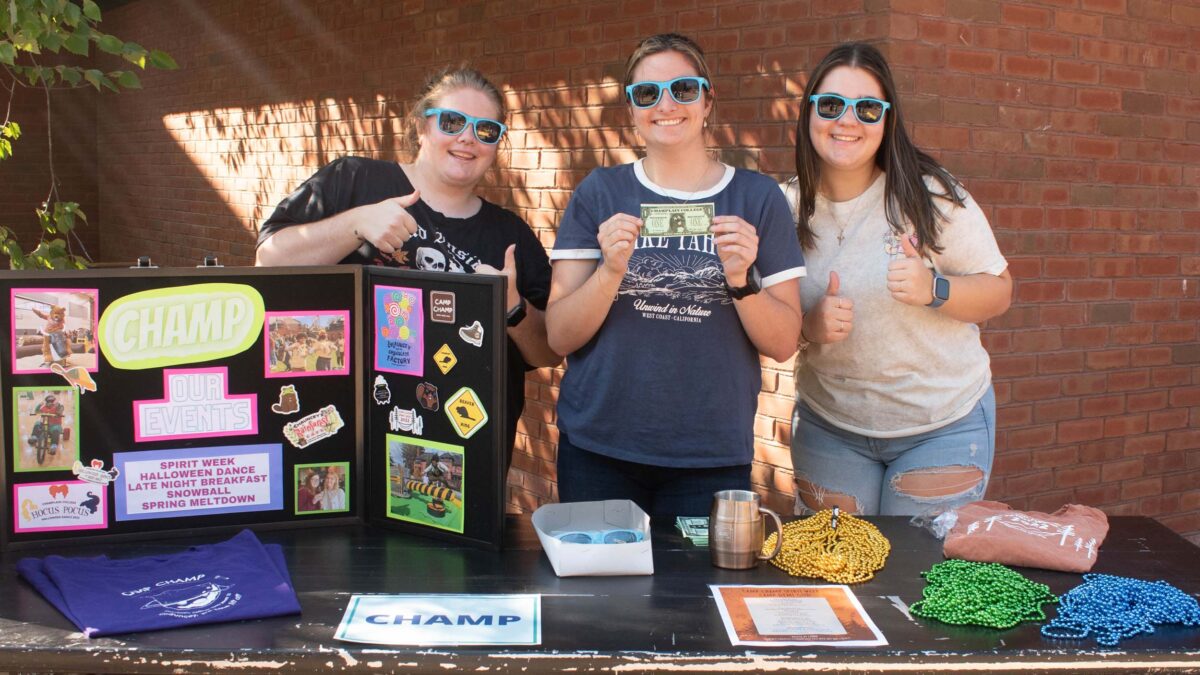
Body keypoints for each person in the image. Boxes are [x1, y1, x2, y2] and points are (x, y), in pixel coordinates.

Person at [546, 33, 805, 517]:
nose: (666, 104)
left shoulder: (757, 198)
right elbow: (559, 335)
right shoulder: (600, 191)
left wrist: (742, 280)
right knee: (603, 594)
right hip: (599, 448)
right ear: (631, 110)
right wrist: (609, 274)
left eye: (683, 89)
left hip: (709, 455)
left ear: (708, 100)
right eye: (647, 93)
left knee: (693, 595)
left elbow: (784, 341)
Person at [256, 66, 560, 458]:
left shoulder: (510, 235)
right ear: (421, 128)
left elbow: (549, 351)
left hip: (457, 456)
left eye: (486, 130)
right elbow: (270, 260)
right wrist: (356, 223)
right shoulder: (355, 180)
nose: (467, 138)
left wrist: (512, 307)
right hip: (342, 436)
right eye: (451, 122)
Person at [785, 42, 1012, 516]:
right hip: (830, 428)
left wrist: (936, 289)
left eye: (867, 108)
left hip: (942, 426)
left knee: (914, 580)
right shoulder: (785, 207)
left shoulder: (929, 195)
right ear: (808, 112)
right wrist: (810, 325)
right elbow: (774, 320)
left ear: (887, 120)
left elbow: (998, 290)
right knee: (837, 575)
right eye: (831, 105)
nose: (847, 121)